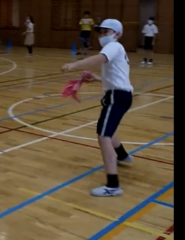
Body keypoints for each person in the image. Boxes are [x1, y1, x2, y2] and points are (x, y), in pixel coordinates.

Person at [62, 19, 133, 197]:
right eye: (100, 32)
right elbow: (117, 77)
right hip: (120, 94)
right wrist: (96, 78)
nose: (102, 35)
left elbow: (99, 58)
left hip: (117, 96)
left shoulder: (113, 47)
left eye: (106, 32)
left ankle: (113, 185)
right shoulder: (118, 50)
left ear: (117, 34)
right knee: (109, 129)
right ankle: (123, 155)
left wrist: (74, 65)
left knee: (103, 135)